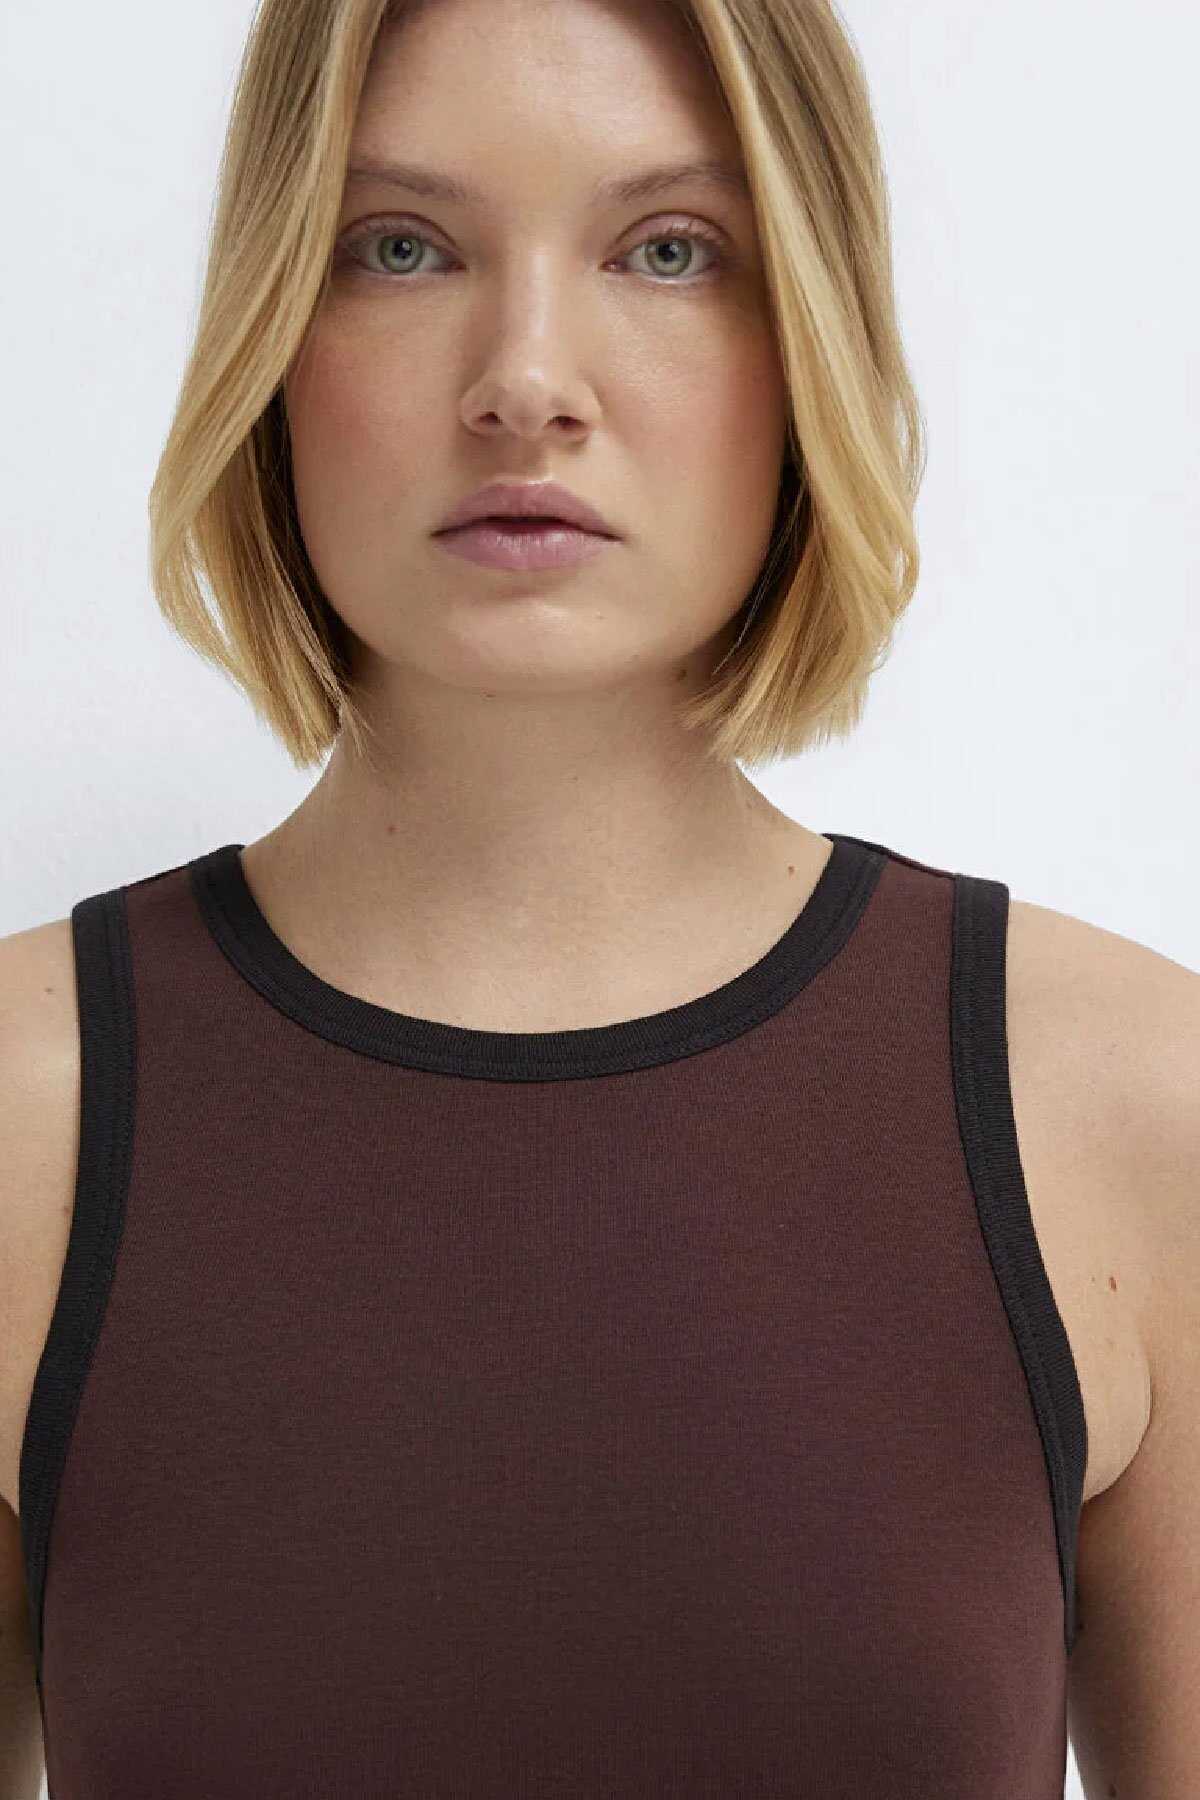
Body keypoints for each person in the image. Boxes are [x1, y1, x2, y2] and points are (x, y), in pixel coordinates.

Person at [2, 1, 1196, 1796]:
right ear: (270, 326)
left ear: (807, 336)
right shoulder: (25, 1116)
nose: (528, 381)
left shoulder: (1131, 1108)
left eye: (668, 250)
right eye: (402, 247)